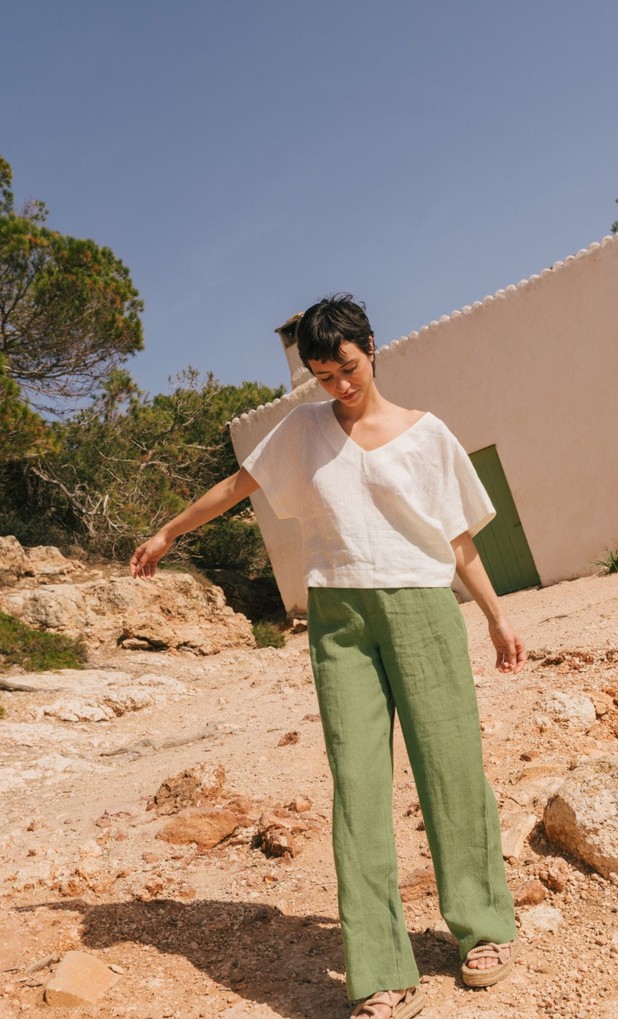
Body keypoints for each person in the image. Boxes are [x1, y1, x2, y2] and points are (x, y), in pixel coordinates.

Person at [130, 294, 525, 1019]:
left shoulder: (427, 434)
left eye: (346, 367)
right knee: (359, 789)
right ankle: (379, 965)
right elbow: (237, 485)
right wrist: (168, 531)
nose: (339, 386)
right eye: (322, 376)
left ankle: (482, 928)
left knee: (452, 769)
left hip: (422, 610)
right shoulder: (302, 429)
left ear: (371, 347)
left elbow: (460, 541)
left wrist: (498, 620)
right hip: (339, 620)